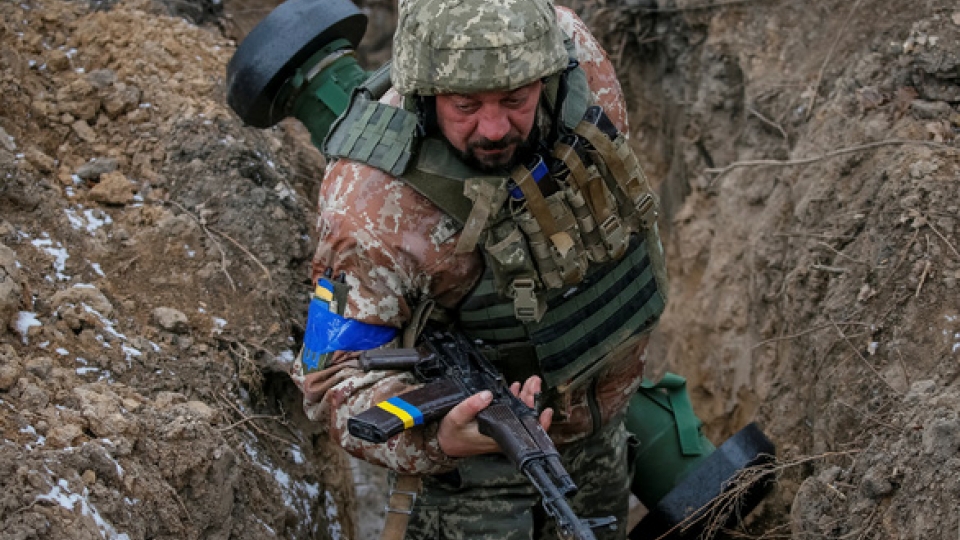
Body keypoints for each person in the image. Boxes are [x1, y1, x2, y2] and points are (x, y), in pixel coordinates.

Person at [291, 0, 668, 538]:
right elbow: (332, 382)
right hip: (470, 489)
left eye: (515, 99)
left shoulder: (572, 50)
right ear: (426, 93)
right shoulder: (369, 208)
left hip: (600, 440)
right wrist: (439, 437)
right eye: (465, 105)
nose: (494, 129)